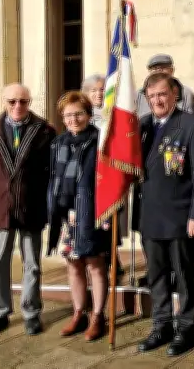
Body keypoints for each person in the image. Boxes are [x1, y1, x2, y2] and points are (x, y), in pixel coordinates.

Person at [133, 73, 194, 356]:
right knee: (156, 276)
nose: (157, 101)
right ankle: (161, 325)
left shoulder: (190, 125)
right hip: (149, 215)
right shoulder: (141, 127)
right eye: (152, 96)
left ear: (175, 94)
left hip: (180, 216)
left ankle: (187, 326)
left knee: (183, 274)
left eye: (162, 94)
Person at [0, 83, 56, 337]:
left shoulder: (44, 131)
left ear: (30, 102)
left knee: (32, 264)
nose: (18, 106)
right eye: (12, 101)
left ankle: (31, 312)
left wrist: (50, 206)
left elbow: (52, 172)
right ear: (4, 101)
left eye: (23, 101)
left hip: (32, 209)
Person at [46, 91, 108, 341]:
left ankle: (97, 316)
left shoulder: (100, 140)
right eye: (68, 115)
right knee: (73, 265)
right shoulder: (58, 143)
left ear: (88, 115)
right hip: (67, 215)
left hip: (92, 212)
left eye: (79, 114)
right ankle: (78, 313)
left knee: (95, 265)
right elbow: (54, 178)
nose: (74, 119)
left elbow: (108, 179)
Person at [81, 74, 125, 278]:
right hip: (89, 177)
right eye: (94, 90)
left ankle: (112, 259)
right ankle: (96, 259)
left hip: (110, 174)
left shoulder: (113, 114)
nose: (98, 94)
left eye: (101, 90)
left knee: (110, 219)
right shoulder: (83, 116)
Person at [136, 53, 194, 118]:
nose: (159, 71)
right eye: (155, 69)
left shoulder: (186, 93)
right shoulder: (139, 95)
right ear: (149, 72)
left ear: (172, 70)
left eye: (163, 67)